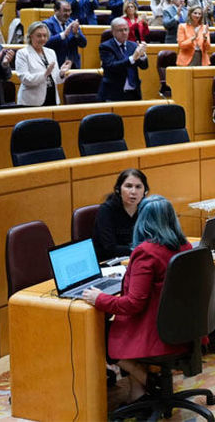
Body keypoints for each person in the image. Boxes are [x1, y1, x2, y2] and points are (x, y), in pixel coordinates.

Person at [80, 195, 192, 402]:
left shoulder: (146, 253)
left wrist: (99, 298)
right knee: (119, 325)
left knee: (99, 333)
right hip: (183, 327)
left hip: (155, 332)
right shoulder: (185, 246)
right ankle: (138, 397)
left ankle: (148, 379)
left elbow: (133, 304)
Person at [93, 169, 149, 262]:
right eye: (128, 186)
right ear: (118, 189)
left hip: (138, 259)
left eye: (138, 187)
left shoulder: (146, 209)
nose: (133, 191)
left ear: (145, 191)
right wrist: (140, 249)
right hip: (110, 263)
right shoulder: (106, 210)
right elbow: (109, 248)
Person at [15, 21, 70, 107]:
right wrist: (45, 74)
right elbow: (25, 79)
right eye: (39, 35)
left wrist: (61, 73)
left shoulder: (51, 52)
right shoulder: (22, 53)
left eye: (45, 35)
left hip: (52, 98)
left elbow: (56, 80)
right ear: (30, 36)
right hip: (32, 101)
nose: (43, 38)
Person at [98, 17, 148, 102]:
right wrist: (133, 58)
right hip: (114, 93)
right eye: (120, 30)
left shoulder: (133, 45)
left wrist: (142, 55)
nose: (124, 33)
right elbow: (112, 66)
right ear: (113, 32)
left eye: (126, 29)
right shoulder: (105, 47)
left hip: (133, 93)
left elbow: (144, 66)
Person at [44, 0, 87, 68]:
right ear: (56, 10)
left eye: (69, 11)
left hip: (73, 64)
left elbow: (83, 44)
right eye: (65, 11)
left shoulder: (72, 22)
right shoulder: (46, 24)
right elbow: (46, 43)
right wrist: (63, 35)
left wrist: (76, 34)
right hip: (55, 64)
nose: (67, 14)